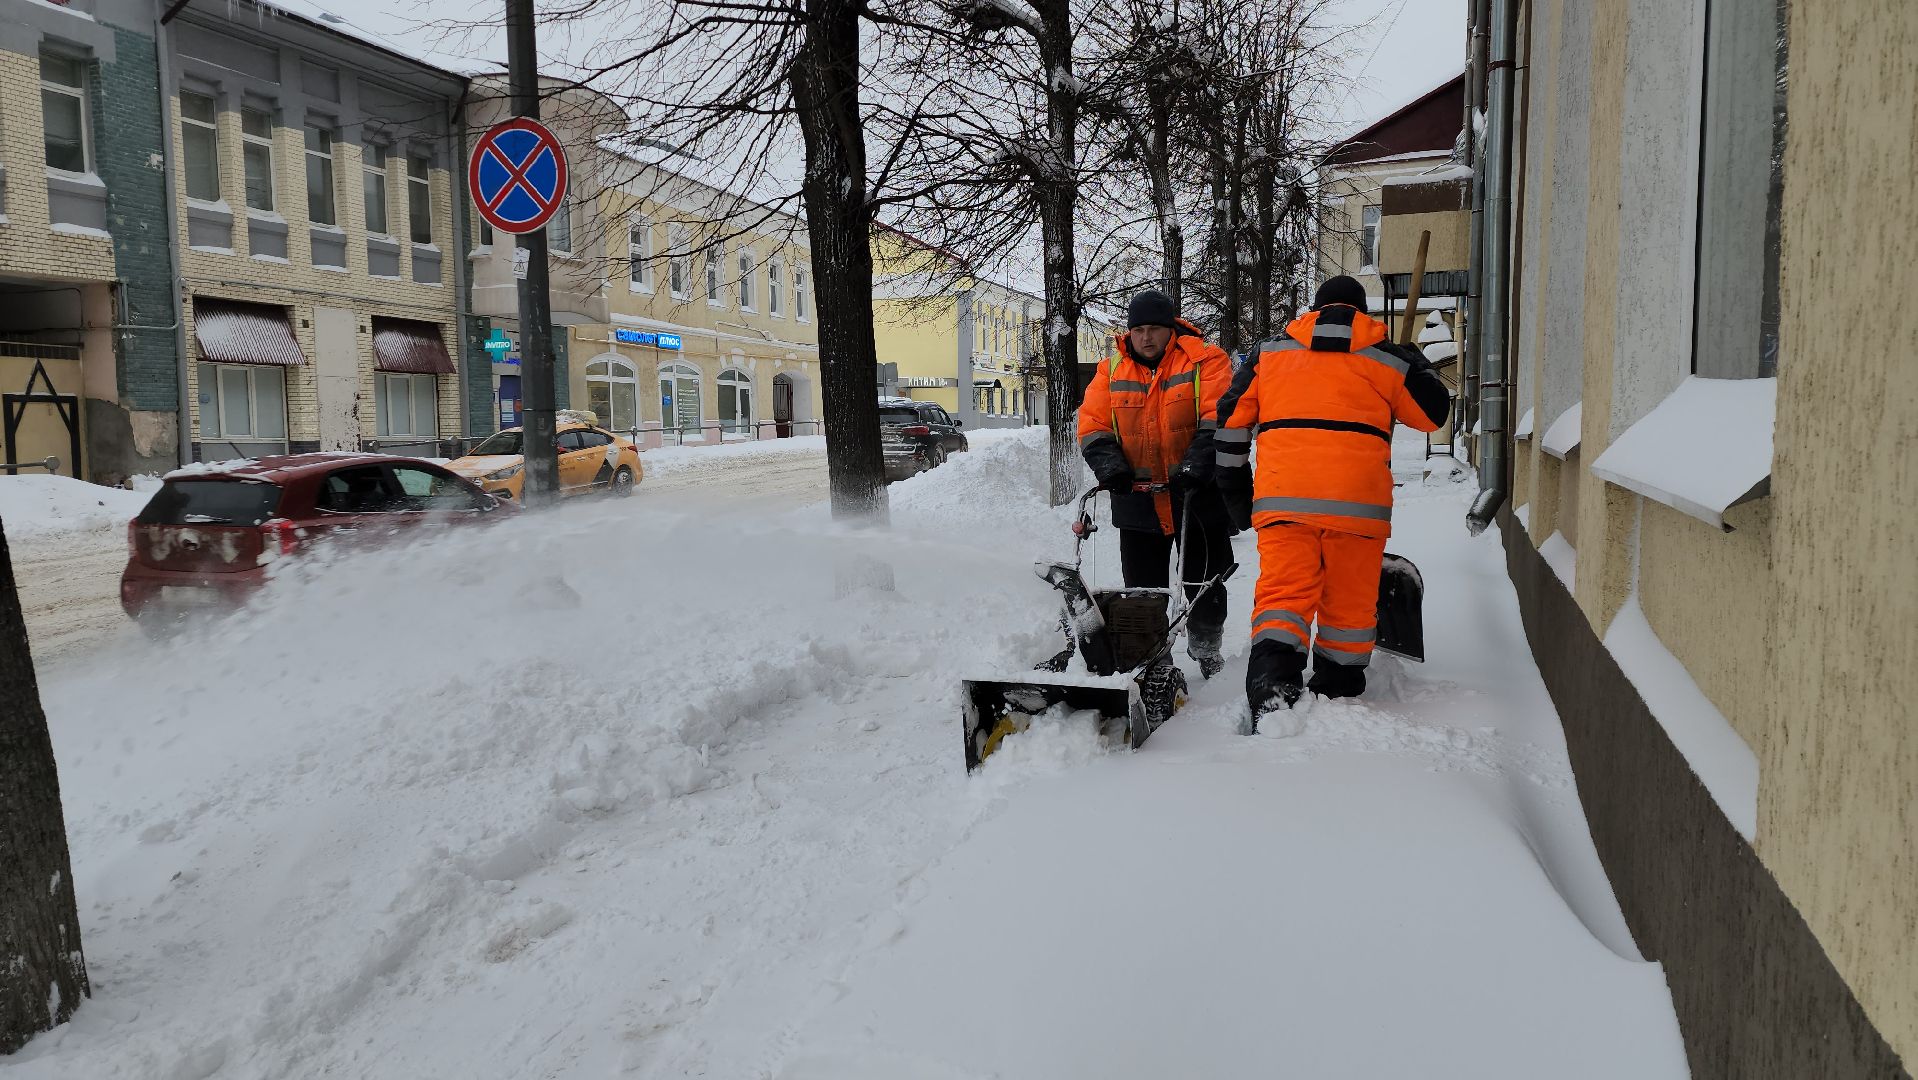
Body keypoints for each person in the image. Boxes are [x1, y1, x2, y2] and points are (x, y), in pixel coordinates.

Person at [1213, 276, 1450, 722]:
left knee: (1283, 599)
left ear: (1314, 312)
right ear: (1363, 313)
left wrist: (1236, 491)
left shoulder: (1270, 355)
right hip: (1357, 510)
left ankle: (1271, 695)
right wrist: (1413, 361)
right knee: (1348, 609)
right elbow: (1433, 414)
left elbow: (1229, 423)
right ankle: (1337, 701)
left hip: (1284, 503)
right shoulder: (1388, 359)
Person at [1077, 289, 1237, 677]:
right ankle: (1152, 660)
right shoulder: (1111, 371)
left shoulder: (1206, 361)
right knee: (1142, 591)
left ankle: (1205, 644)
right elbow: (1093, 424)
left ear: (1171, 330)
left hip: (1196, 494)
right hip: (1137, 498)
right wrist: (1110, 466)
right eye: (1138, 330)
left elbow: (1219, 417)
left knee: (1206, 583)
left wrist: (1197, 464)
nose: (1146, 337)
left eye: (1154, 329)